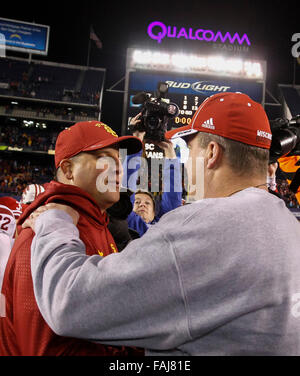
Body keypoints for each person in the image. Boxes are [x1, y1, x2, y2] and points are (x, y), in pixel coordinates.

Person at [25, 93, 300, 355]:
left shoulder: (201, 229)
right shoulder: (290, 227)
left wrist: (54, 219)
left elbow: (68, 303)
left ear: (212, 153)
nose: (186, 164)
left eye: (189, 151)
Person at [0, 120, 144, 356]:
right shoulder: (40, 233)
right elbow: (48, 351)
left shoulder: (97, 222)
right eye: (105, 158)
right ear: (68, 170)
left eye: (119, 160)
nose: (119, 168)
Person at [125, 114, 182, 236]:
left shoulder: (163, 228)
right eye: (137, 202)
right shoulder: (126, 222)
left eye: (147, 203)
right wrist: (136, 139)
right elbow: (125, 191)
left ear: (155, 213)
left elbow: (173, 199)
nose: (142, 204)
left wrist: (171, 154)